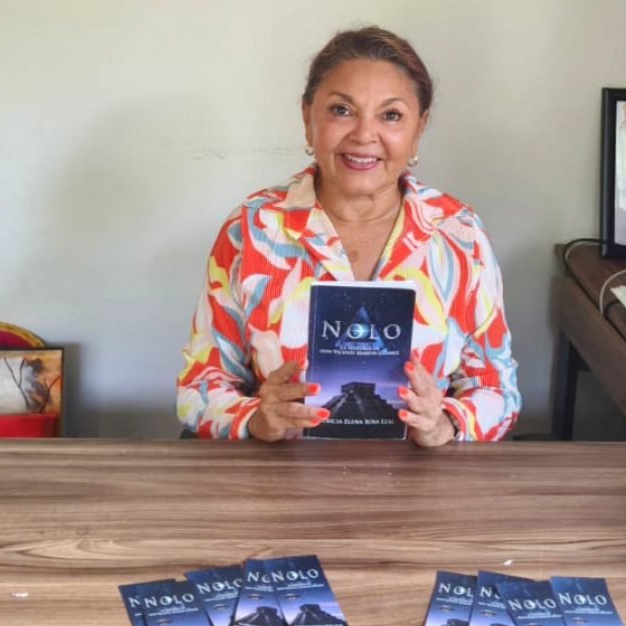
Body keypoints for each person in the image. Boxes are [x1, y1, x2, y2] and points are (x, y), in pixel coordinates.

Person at [177, 26, 520, 447]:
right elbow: (199, 386)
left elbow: (498, 390)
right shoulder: (251, 229)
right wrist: (256, 418)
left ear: (419, 129)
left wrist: (444, 422)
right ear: (308, 118)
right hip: (279, 486)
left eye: (391, 115)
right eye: (342, 110)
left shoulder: (458, 235)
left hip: (418, 490)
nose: (363, 135)